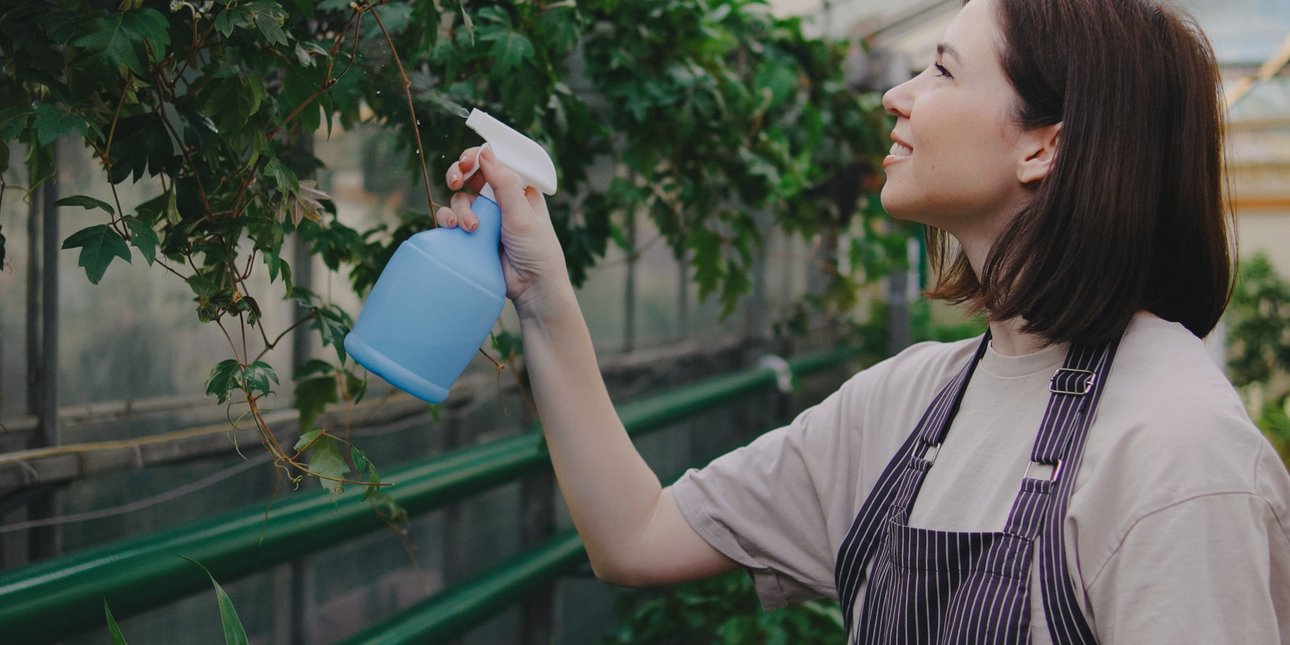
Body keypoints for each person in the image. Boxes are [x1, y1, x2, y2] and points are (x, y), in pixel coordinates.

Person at [435, 0, 1290, 641]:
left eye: (943, 71)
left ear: (1044, 146)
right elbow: (637, 536)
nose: (895, 93)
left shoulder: (1176, 451)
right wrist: (541, 293)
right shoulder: (911, 400)